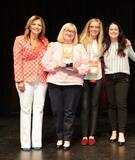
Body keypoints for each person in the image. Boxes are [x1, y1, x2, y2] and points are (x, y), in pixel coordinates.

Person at [41, 22, 89, 150]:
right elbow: (44, 63)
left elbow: (87, 65)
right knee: (57, 112)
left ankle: (67, 138)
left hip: (73, 83)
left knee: (69, 112)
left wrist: (76, 69)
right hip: (55, 82)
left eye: (72, 31)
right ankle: (60, 137)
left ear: (75, 34)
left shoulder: (79, 47)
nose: (69, 33)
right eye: (67, 30)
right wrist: (56, 65)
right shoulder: (54, 46)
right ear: (62, 32)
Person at [13, 15, 49, 151]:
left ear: (42, 28)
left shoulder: (45, 41)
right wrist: (19, 80)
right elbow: (17, 60)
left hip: (41, 79)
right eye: (34, 24)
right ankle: (26, 143)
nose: (37, 27)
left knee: (39, 110)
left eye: (39, 25)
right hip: (25, 79)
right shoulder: (20, 40)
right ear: (29, 25)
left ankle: (36, 142)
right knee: (26, 110)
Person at [103, 22, 135, 146]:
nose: (113, 31)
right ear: (108, 31)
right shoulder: (104, 45)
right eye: (111, 29)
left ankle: (121, 133)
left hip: (123, 77)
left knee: (121, 104)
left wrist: (130, 46)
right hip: (109, 77)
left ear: (119, 31)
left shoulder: (125, 44)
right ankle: (114, 131)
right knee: (111, 105)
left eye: (115, 29)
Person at [79, 18, 104, 146]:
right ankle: (84, 135)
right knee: (84, 106)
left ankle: (91, 135)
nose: (94, 29)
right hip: (84, 77)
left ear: (100, 29)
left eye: (97, 27)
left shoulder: (102, 43)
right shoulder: (80, 41)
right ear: (88, 28)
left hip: (97, 76)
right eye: (92, 27)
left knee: (94, 105)